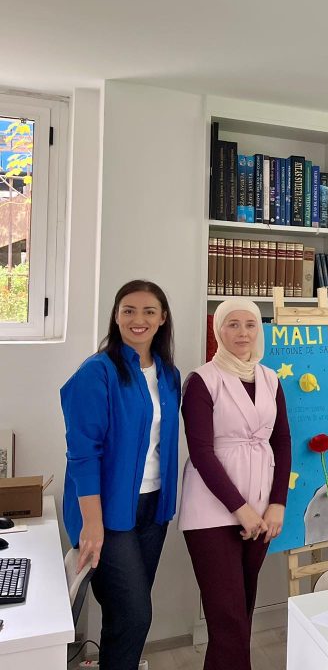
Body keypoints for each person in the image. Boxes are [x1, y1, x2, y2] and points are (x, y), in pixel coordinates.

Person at [61, 280, 181, 670]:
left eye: (149, 311)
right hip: (107, 513)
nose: (137, 319)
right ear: (116, 316)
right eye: (128, 310)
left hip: (153, 508)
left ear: (162, 319)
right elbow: (83, 455)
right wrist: (92, 522)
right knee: (134, 615)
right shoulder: (97, 372)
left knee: (124, 614)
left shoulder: (168, 374)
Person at [179, 298, 291, 669]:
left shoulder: (270, 378)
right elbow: (201, 453)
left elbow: (282, 441)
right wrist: (241, 510)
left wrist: (277, 503)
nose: (242, 333)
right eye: (233, 324)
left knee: (241, 611)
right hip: (212, 509)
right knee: (227, 616)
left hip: (261, 508)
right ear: (218, 330)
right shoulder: (201, 380)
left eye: (250, 324)